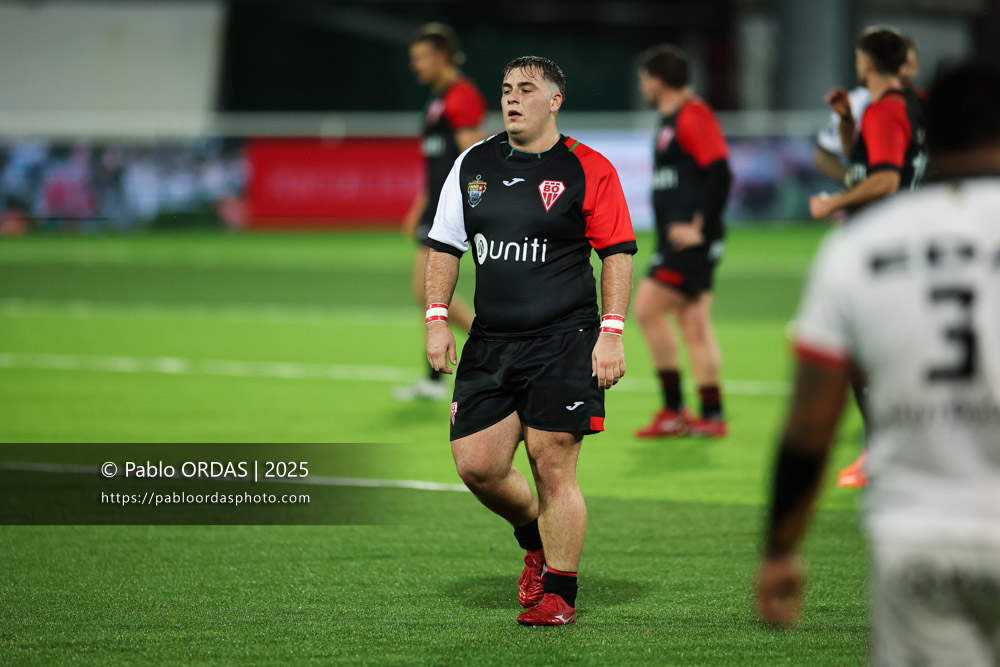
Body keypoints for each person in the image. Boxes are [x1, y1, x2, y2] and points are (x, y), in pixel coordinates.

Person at [755, 61, 1000, 665]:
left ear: (928, 137)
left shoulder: (861, 246)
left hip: (918, 540)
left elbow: (810, 424)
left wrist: (780, 548)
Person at [424, 56, 636, 625]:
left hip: (564, 340)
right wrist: (437, 318)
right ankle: (535, 542)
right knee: (477, 466)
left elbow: (616, 253)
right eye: (505, 90)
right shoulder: (472, 163)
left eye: (525, 89)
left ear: (554, 101)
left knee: (552, 462)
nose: (512, 99)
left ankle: (559, 595)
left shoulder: (588, 167)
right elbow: (444, 247)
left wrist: (611, 333)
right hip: (490, 341)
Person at [810, 27, 928, 488]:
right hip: (900, 243)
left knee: (861, 355)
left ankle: (884, 455)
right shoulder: (906, 107)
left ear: (867, 62)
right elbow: (863, 162)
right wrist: (845, 122)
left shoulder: (886, 110)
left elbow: (884, 180)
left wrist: (833, 203)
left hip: (888, 249)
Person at [632, 45, 732, 439]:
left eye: (644, 80)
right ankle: (711, 414)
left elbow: (720, 172)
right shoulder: (672, 119)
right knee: (694, 324)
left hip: (688, 244)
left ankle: (674, 410)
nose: (642, 87)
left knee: (647, 310)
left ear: (658, 81)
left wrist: (701, 228)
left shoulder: (692, 115)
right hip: (678, 241)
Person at [393, 23, 486, 402]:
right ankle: (432, 379)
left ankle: (494, 342)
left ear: (442, 56)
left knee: (428, 291)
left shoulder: (461, 96)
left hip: (450, 210)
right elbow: (437, 164)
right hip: (434, 208)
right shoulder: (437, 101)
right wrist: (420, 205)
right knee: (429, 295)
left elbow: (473, 157)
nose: (415, 65)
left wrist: (472, 207)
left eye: (421, 58)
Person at [813, 33, 923, 185]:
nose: (906, 71)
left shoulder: (920, 104)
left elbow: (886, 179)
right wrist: (855, 183)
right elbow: (832, 156)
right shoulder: (858, 102)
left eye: (910, 65)